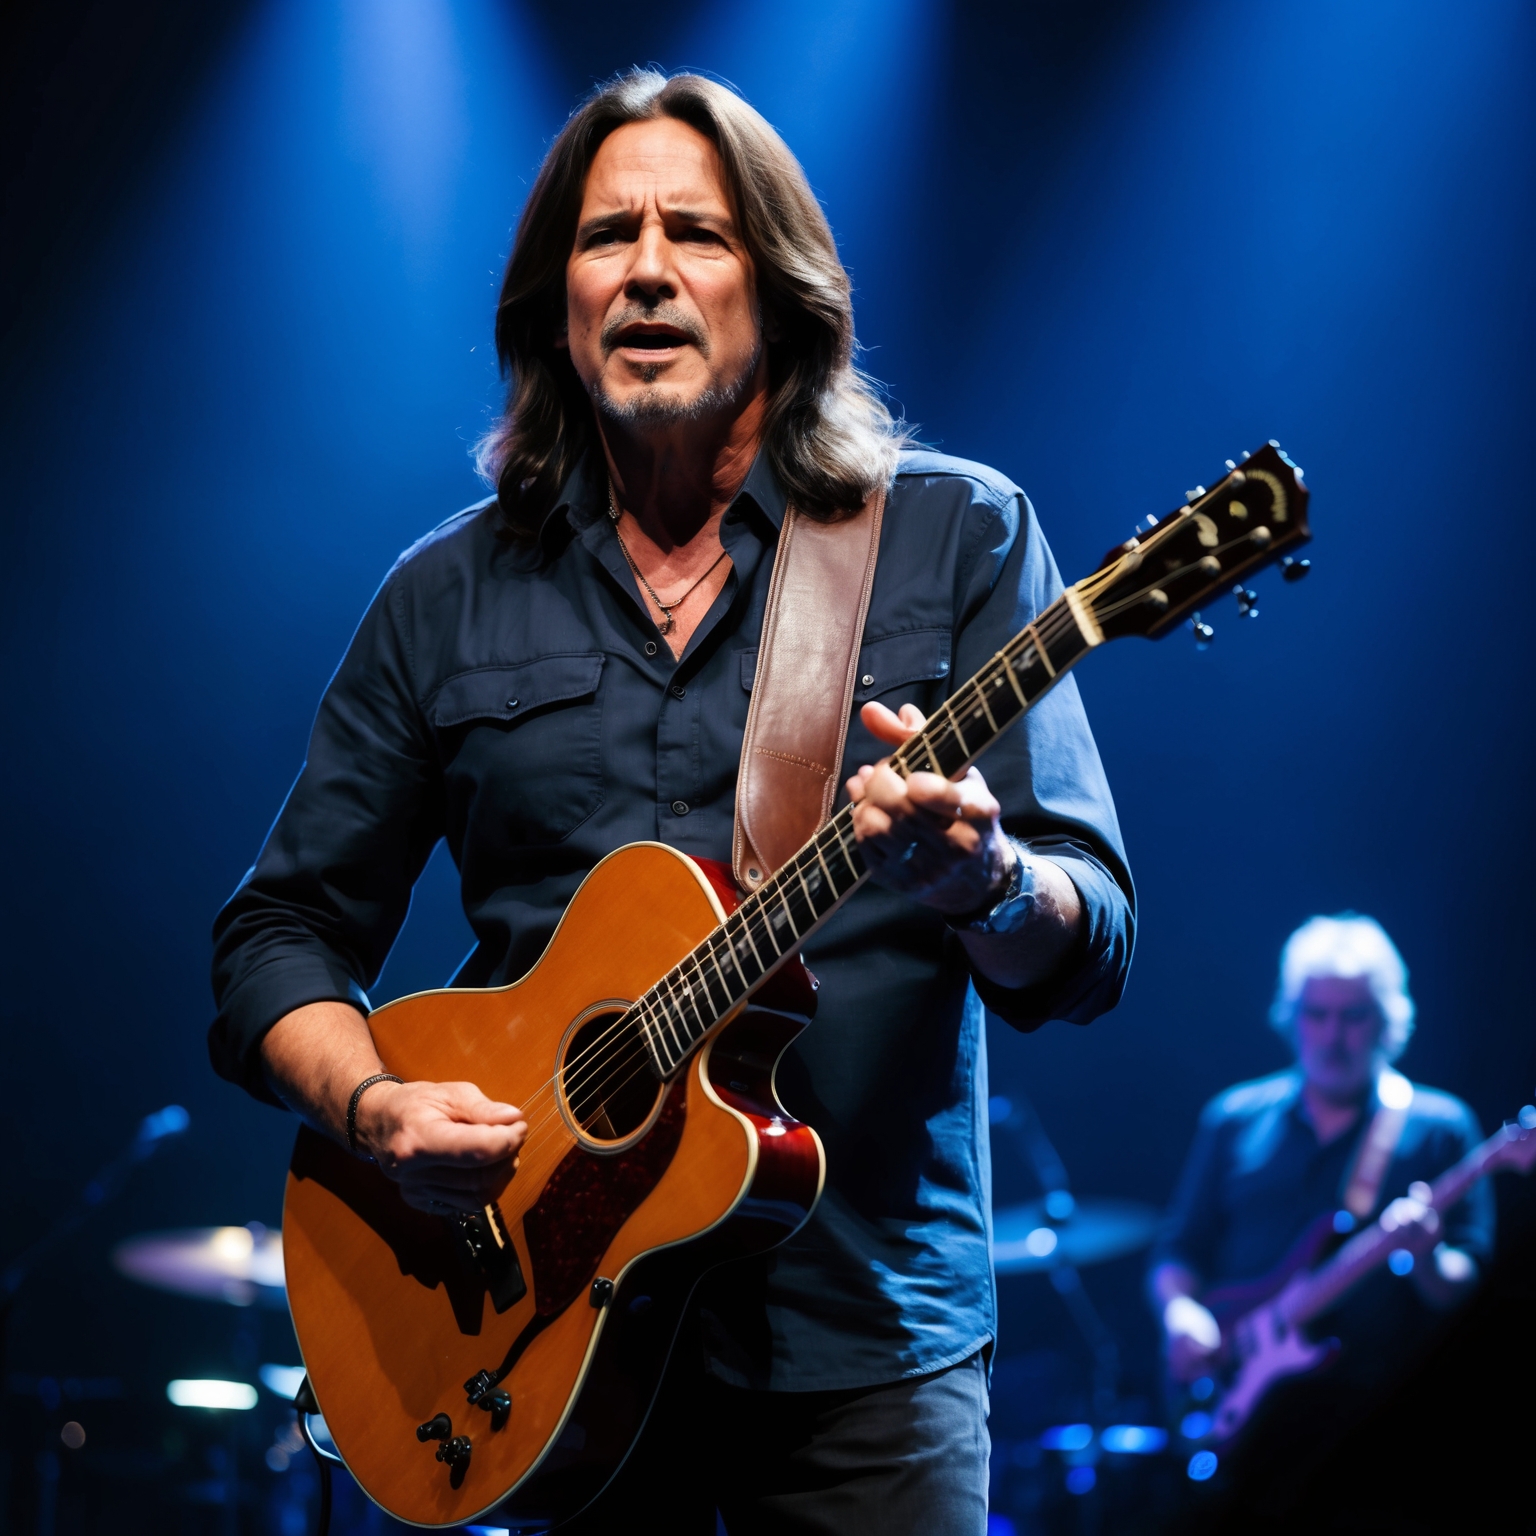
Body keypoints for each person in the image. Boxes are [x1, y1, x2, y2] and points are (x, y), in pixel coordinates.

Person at [210, 70, 1134, 1534]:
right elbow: (276, 935)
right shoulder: (444, 595)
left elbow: (1087, 946)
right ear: (554, 306)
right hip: (536, 1340)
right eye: (605, 236)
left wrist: (991, 887)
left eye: (693, 233)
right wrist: (375, 1107)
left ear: (779, 290)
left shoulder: (954, 533)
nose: (645, 268)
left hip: (862, 1354)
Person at [1149, 914, 1492, 1485]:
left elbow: (1467, 1286)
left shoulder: (1442, 1127)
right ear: (1291, 1018)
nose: (1333, 1036)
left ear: (1388, 1021)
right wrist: (1181, 1315)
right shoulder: (1233, 1119)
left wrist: (1428, 1256)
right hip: (1253, 1430)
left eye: (1353, 1016)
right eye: (1317, 1014)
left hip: (1389, 1428)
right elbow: (1178, 1252)